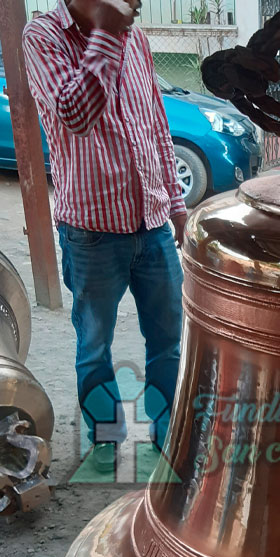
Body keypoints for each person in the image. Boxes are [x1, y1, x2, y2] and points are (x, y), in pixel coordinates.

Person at [23, 0, 187, 472]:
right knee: (95, 348)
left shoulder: (137, 39)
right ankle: (108, 438)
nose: (135, 2)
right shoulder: (43, 37)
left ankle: (165, 431)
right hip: (90, 233)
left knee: (168, 341)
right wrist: (106, 35)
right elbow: (77, 114)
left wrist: (175, 204)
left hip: (152, 226)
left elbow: (156, 125)